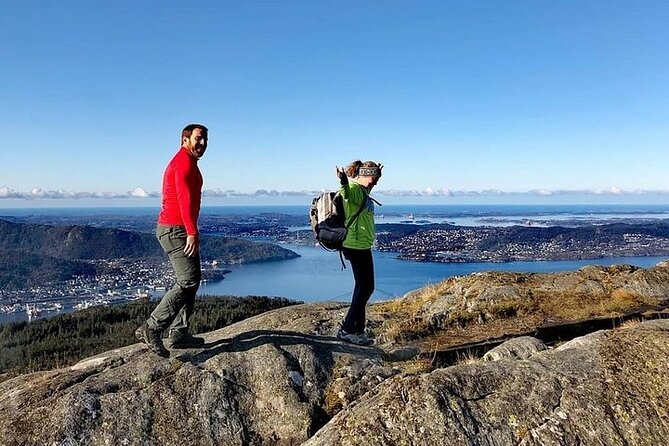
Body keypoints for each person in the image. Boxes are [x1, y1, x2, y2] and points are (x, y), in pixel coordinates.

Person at [135, 123, 209, 357]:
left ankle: (179, 334)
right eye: (198, 138)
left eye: (205, 139)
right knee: (188, 281)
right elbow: (184, 200)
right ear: (184, 139)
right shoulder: (184, 163)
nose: (203, 143)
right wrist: (191, 231)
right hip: (176, 229)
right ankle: (152, 327)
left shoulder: (186, 162)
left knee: (192, 281)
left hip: (175, 228)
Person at [335, 160, 383, 346]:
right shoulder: (354, 189)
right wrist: (343, 181)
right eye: (374, 177)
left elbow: (365, 187)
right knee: (366, 287)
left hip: (361, 245)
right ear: (364, 174)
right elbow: (346, 194)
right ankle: (347, 330)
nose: (376, 181)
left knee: (362, 287)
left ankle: (358, 330)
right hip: (355, 245)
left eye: (378, 178)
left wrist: (378, 171)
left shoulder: (363, 191)